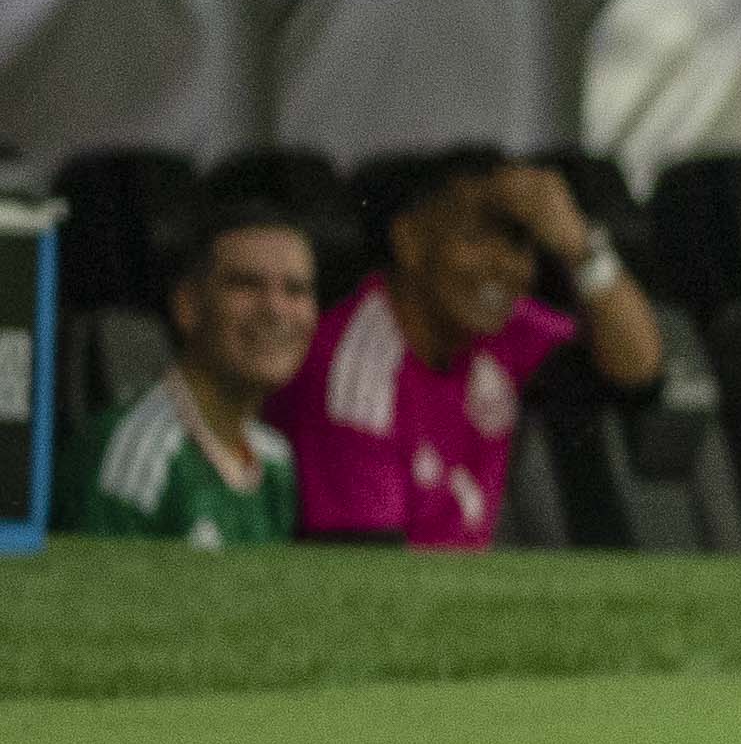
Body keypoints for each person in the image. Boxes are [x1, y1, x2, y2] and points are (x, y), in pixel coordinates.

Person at [274, 150, 664, 548]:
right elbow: (367, 573)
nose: (503, 264)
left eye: (517, 242)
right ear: (409, 240)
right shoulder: (356, 371)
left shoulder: (499, 329)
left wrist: (580, 246)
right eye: (475, 237)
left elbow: (638, 371)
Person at [54, 201, 315, 545]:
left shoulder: (274, 459)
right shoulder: (138, 454)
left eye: (296, 289)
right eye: (246, 284)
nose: (275, 309)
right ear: (188, 305)